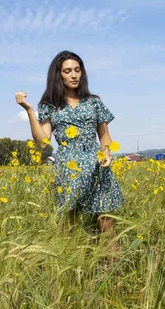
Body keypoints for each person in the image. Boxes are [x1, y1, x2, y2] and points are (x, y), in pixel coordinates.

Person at [15, 51, 124, 259]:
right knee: (68, 229)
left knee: (107, 227)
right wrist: (29, 111)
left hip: (96, 165)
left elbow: (104, 134)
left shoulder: (93, 102)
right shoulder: (50, 105)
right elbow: (43, 141)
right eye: (67, 71)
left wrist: (106, 153)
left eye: (77, 70)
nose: (74, 75)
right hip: (68, 168)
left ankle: (114, 277)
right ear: (58, 75)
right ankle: (71, 276)